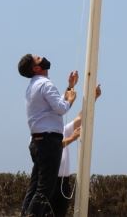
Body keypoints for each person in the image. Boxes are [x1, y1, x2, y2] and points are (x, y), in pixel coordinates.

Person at [18, 54, 79, 217]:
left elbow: (54, 105)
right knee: (44, 189)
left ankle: (25, 213)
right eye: (38, 58)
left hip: (38, 141)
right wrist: (71, 100)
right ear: (36, 68)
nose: (42, 57)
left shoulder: (33, 86)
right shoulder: (45, 84)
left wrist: (69, 87)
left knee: (35, 187)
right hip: (48, 142)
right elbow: (61, 108)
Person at [50, 85, 102, 217]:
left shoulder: (61, 129)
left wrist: (93, 99)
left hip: (64, 181)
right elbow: (52, 146)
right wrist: (72, 138)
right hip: (49, 181)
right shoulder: (41, 132)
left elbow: (80, 119)